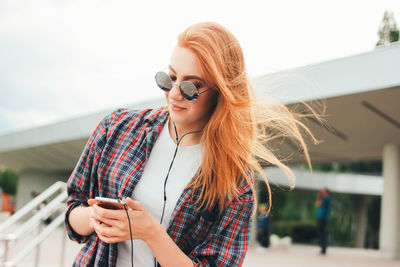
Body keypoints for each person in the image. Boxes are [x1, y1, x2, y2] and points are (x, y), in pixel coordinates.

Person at [65, 22, 317, 267]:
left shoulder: (236, 182)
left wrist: (151, 232)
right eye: (170, 78)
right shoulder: (117, 127)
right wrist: (97, 216)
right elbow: (72, 214)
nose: (174, 94)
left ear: (221, 91)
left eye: (190, 87)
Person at [315, 188, 332, 255]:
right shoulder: (324, 198)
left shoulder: (327, 198)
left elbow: (318, 203)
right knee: (320, 232)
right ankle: (322, 247)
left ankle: (323, 248)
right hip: (320, 218)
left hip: (323, 218)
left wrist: (319, 196)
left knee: (322, 233)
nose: (322, 192)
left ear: (326, 192)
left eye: (323, 191)